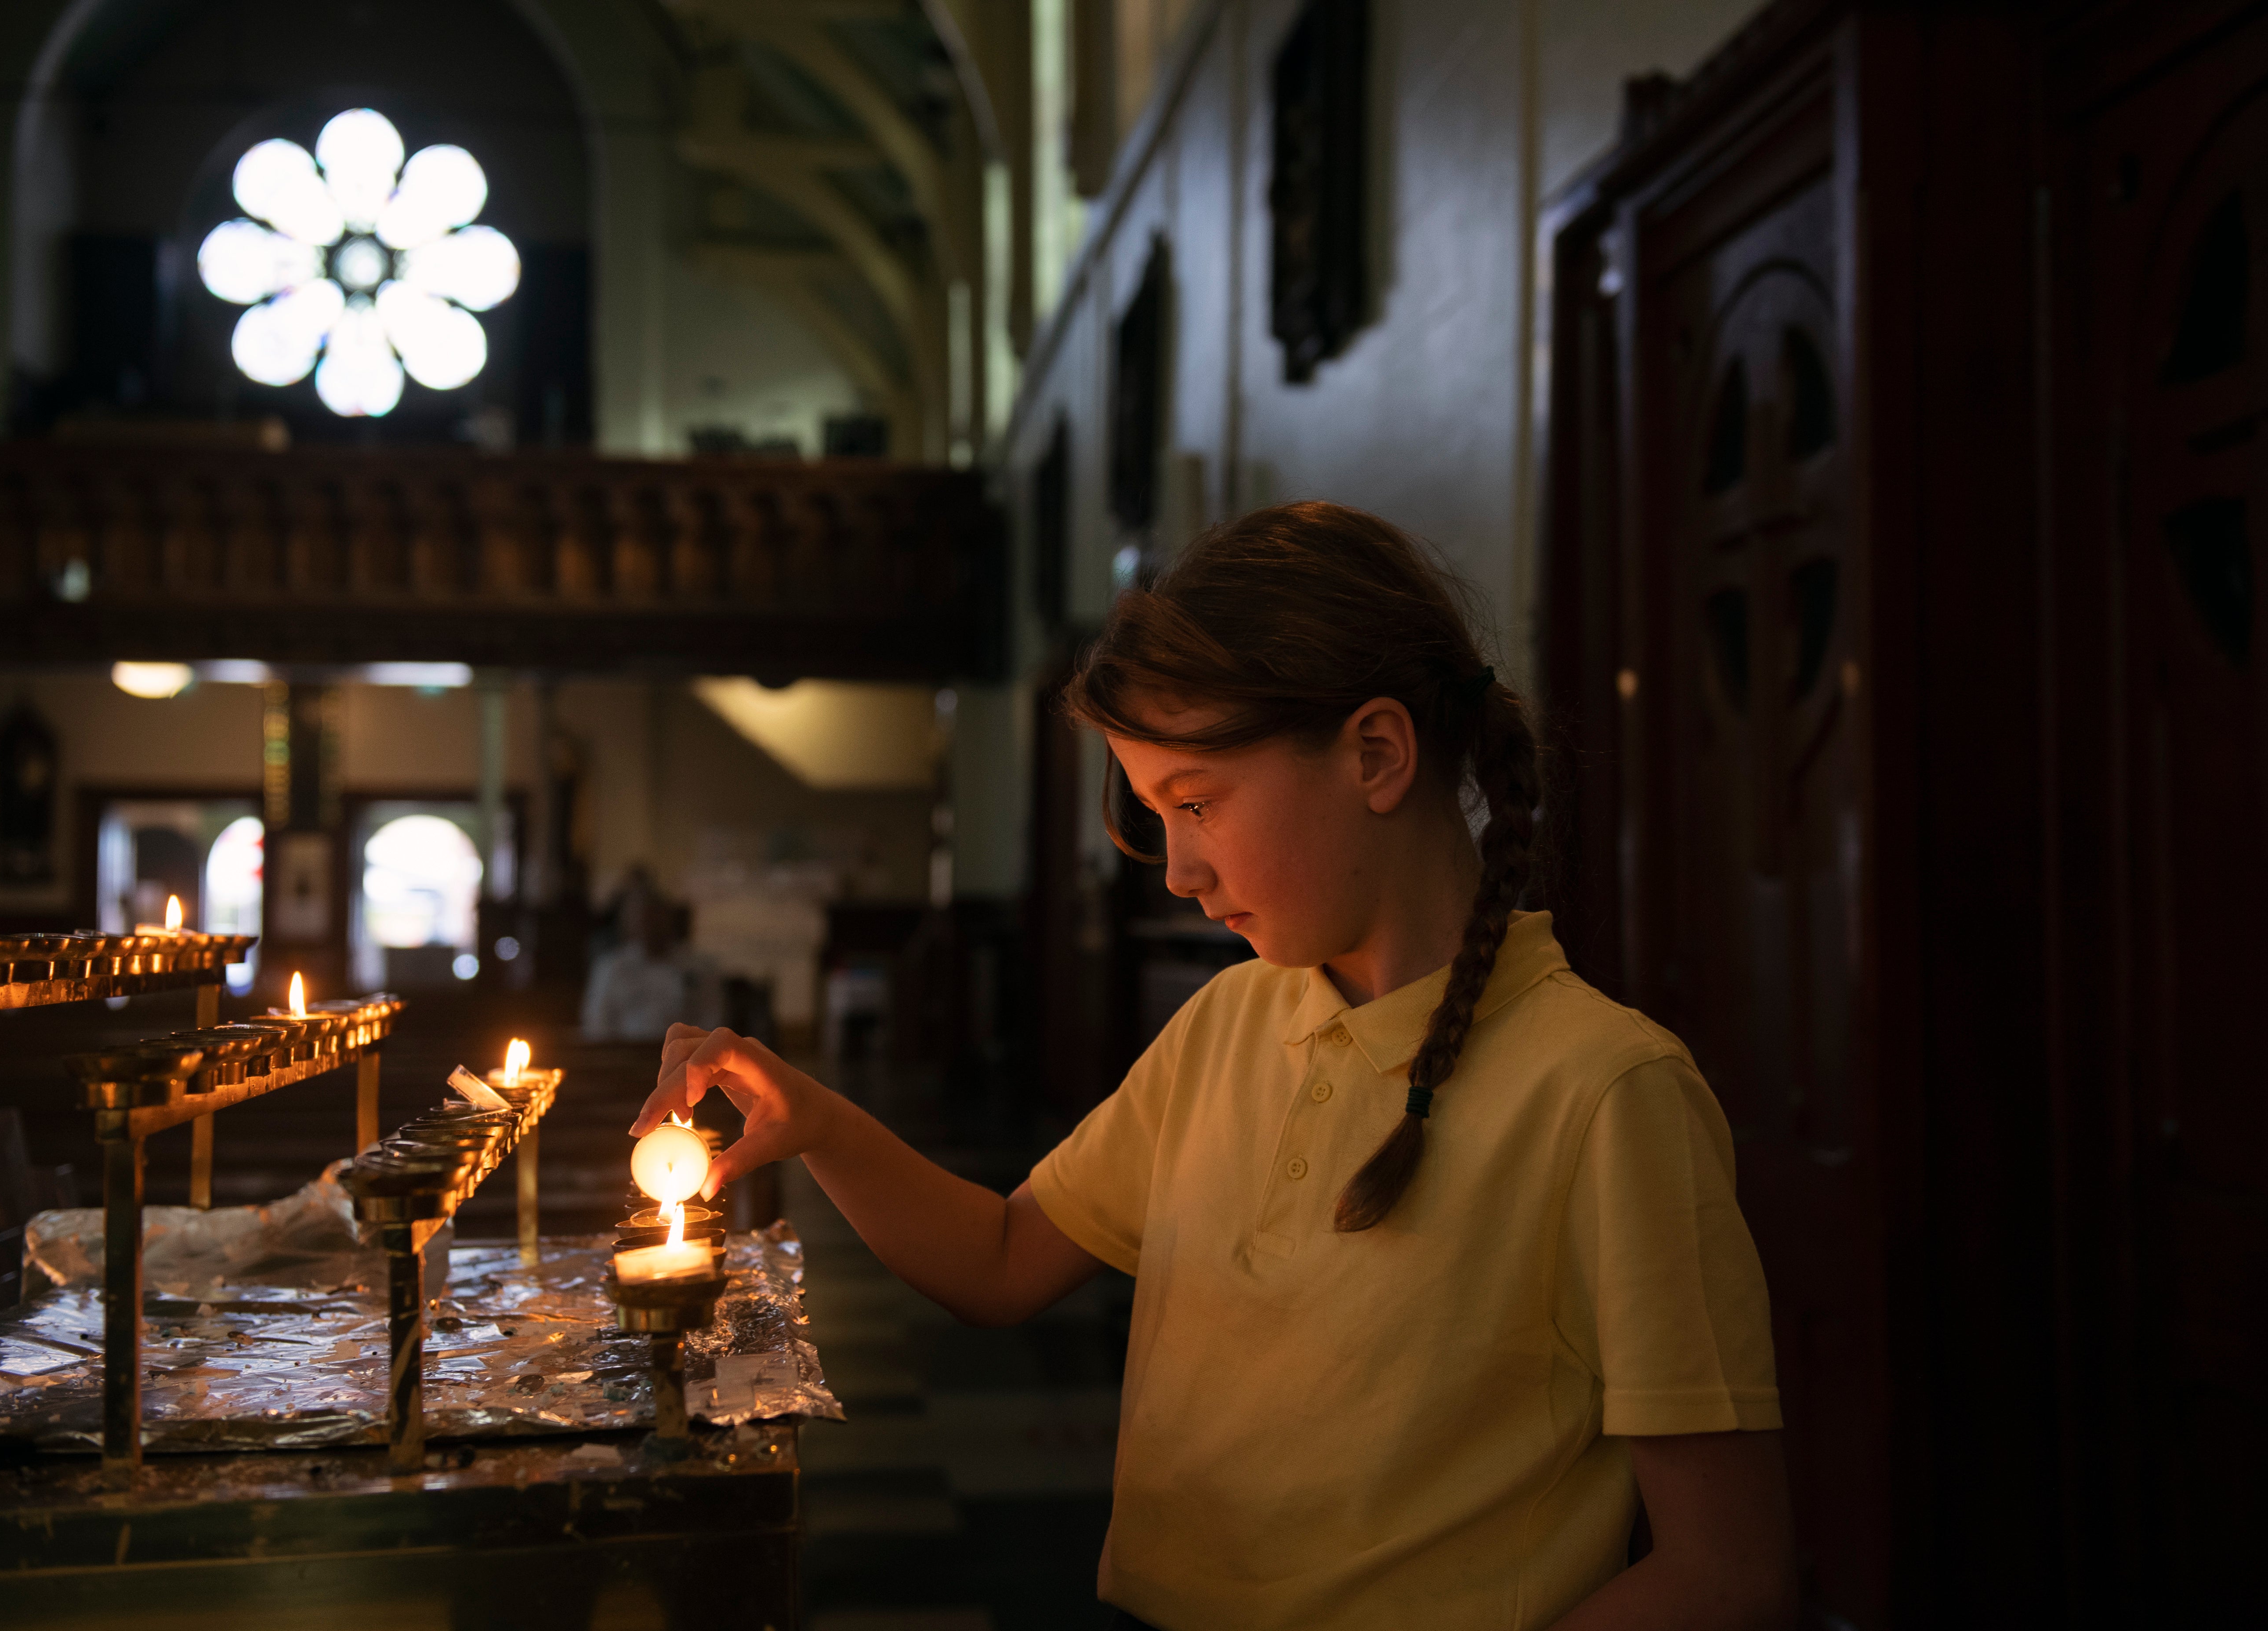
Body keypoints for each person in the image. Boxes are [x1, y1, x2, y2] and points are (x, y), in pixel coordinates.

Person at [633, 502, 1795, 1629]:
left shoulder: (1605, 1094)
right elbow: (997, 1261)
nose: (1178, 869)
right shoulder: (1229, 1024)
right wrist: (819, 1121)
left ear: (1377, 754)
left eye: (1197, 803)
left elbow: (1724, 1574)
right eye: (1156, 813)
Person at [581, 872, 722, 1042]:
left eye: (655, 915)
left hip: (686, 1057)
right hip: (624, 1057)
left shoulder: (700, 967)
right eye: (641, 917)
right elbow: (597, 1023)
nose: (650, 925)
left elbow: (713, 1021)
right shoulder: (611, 968)